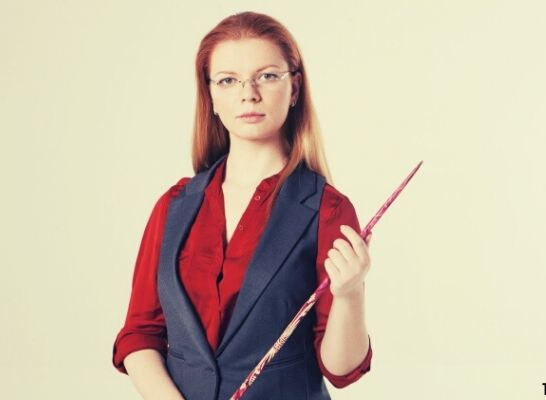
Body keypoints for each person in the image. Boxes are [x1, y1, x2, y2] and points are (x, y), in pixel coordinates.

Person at [112, 11, 374, 400]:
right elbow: (139, 335)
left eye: (267, 76)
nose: (248, 93)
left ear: (295, 88)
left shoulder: (328, 211)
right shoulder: (173, 207)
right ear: (211, 95)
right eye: (229, 80)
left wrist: (351, 293)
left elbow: (341, 369)